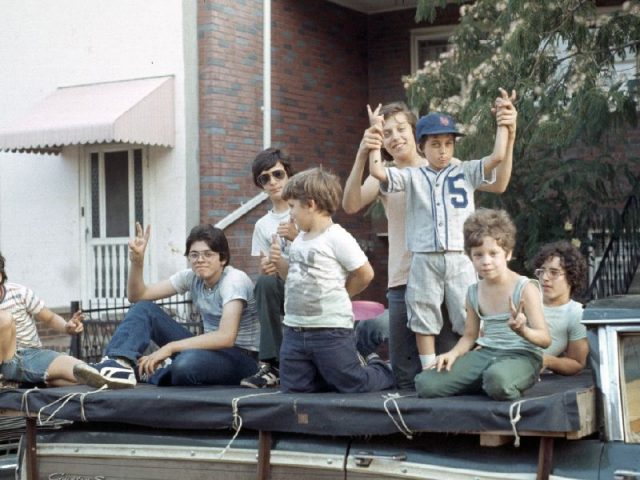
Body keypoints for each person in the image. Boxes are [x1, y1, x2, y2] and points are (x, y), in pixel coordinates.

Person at [367, 90, 517, 372]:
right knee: (423, 312)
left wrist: (504, 125)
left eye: (448, 144)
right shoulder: (412, 175)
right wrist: (375, 136)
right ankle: (428, 371)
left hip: (459, 256)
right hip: (423, 256)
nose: (443, 151)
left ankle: (473, 367)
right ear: (422, 146)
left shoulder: (464, 169)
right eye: (436, 144)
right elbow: (378, 173)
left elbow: (497, 156)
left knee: (467, 313)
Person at [73, 223, 260, 388]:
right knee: (143, 308)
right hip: (209, 352)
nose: (200, 260)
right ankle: (118, 364)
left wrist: (170, 348)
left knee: (185, 365)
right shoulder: (190, 277)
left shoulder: (234, 280)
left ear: (223, 259)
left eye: (208, 254)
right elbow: (137, 296)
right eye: (194, 255)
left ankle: (146, 372)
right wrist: (137, 262)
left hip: (243, 359)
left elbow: (226, 337)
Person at [270, 167, 395, 393]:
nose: (291, 214)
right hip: (295, 330)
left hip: (330, 330)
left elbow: (365, 273)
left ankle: (382, 368)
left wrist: (344, 293)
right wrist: (279, 263)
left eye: (293, 206)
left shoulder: (337, 237)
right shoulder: (299, 240)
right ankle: (324, 374)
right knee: (295, 388)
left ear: (310, 204)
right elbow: (294, 279)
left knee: (351, 383)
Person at [415, 209, 551, 401]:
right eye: (478, 255)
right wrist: (452, 354)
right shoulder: (473, 291)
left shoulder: (525, 288)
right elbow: (470, 335)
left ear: (508, 254)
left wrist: (523, 331)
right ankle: (487, 381)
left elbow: (545, 339)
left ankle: (503, 380)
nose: (486, 261)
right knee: (426, 384)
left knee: (497, 381)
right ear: (470, 257)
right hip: (487, 354)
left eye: (493, 253)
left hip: (522, 355)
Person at [240, 148, 296, 389]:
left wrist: (296, 238)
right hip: (284, 288)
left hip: (313, 286)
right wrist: (266, 267)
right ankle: (272, 364)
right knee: (264, 282)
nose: (272, 182)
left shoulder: (307, 208)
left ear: (289, 174)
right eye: (265, 178)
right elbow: (266, 273)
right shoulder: (263, 225)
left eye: (278, 174)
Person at [0, 251, 95, 388]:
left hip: (33, 356)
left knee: (82, 372)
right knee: (4, 318)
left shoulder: (19, 293)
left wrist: (67, 327)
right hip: (5, 364)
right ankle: (6, 378)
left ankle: (31, 381)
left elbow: (50, 318)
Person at [533, 241, 589, 375]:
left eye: (554, 272)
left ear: (571, 277)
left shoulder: (575, 314)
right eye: (542, 271)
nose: (545, 277)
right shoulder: (526, 298)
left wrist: (547, 360)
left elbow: (577, 363)